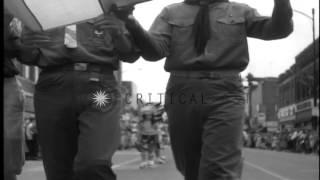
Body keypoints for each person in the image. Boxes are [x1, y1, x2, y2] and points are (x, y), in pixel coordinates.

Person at [116, 0, 293, 179]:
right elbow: (154, 52)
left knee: (219, 169)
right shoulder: (171, 13)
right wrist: (131, 22)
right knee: (190, 166)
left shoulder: (240, 11)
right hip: (182, 92)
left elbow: (278, 29)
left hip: (226, 92)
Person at [8, 3, 140, 180]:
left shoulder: (109, 6)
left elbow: (131, 54)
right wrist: (28, 45)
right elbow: (28, 57)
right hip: (53, 88)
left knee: (93, 164)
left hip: (98, 89)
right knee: (58, 170)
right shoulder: (37, 10)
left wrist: (118, 33)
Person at [4, 11, 25, 180]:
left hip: (6, 82)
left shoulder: (10, 15)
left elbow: (16, 49)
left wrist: (6, 21)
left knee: (9, 144)